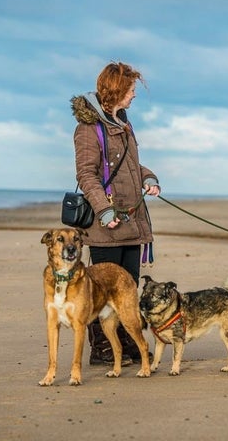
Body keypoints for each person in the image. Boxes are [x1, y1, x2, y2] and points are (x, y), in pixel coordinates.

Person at [70, 61, 160, 365]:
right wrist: (105, 212)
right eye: (131, 89)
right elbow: (86, 175)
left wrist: (148, 177)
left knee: (128, 286)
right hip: (105, 226)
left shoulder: (124, 122)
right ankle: (102, 349)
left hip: (133, 220)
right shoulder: (88, 128)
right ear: (117, 89)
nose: (134, 95)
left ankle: (128, 341)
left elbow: (132, 166)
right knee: (100, 290)